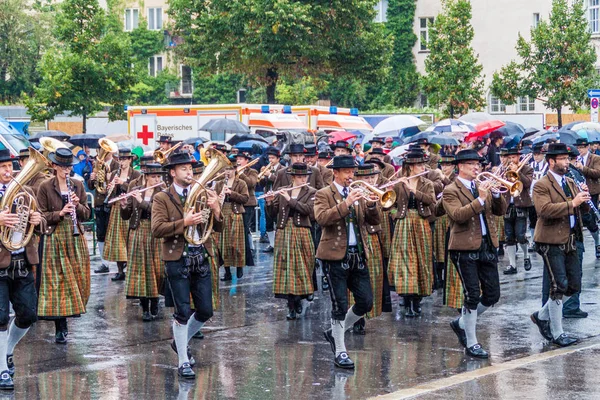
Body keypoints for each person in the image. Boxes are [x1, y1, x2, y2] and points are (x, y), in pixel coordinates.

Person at [151, 151, 222, 380]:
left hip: (200, 255)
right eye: (183, 168)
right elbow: (157, 229)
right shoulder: (162, 198)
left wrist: (217, 210)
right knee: (182, 311)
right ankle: (183, 360)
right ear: (172, 173)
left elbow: (217, 227)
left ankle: (179, 343)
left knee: (205, 310)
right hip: (176, 258)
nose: (189, 172)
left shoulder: (200, 193)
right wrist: (185, 222)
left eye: (190, 168)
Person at [316, 155, 379, 369]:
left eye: (353, 172)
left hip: (358, 254)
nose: (351, 176)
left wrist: (371, 206)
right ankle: (341, 351)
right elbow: (322, 219)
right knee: (339, 305)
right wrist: (346, 203)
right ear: (336, 172)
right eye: (347, 172)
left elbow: (374, 221)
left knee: (366, 302)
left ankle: (336, 334)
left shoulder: (359, 193)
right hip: (334, 256)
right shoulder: (323, 194)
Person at [443, 149, 507, 358]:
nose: (476, 168)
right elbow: (457, 215)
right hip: (463, 247)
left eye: (477, 164)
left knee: (492, 294)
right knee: (471, 295)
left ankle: (461, 324)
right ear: (460, 166)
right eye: (471, 164)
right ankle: (472, 342)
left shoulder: (482, 186)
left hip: (487, 244)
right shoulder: (450, 190)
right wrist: (480, 199)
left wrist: (496, 194)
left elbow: (499, 211)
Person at [530, 143, 588, 347]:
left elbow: (580, 211)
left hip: (571, 239)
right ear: (551, 161)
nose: (567, 162)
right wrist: (572, 203)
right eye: (562, 159)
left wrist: (585, 201)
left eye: (567, 159)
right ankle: (557, 332)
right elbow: (544, 210)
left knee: (573, 286)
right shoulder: (541, 185)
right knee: (558, 286)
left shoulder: (571, 182)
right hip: (550, 240)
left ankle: (541, 315)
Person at [37, 148, 91, 344]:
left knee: (75, 279)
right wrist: (59, 213)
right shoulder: (44, 186)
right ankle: (60, 326)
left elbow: (87, 214)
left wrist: (77, 205)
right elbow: (41, 215)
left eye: (68, 166)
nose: (65, 169)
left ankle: (69, 316)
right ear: (54, 166)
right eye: (62, 166)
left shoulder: (77, 185)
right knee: (56, 282)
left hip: (74, 236)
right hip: (54, 235)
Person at [0, 149, 44, 390]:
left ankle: (7, 350)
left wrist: (38, 221)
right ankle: (2, 370)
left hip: (22, 262)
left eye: (10, 166)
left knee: (28, 314)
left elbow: (41, 227)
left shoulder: (25, 192)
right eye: (3, 167)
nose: (9, 171)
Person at [387, 148, 436, 317]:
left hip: (421, 223)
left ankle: (417, 299)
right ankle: (407, 299)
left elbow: (431, 202)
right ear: (411, 166)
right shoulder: (398, 184)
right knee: (405, 260)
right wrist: (396, 216)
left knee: (421, 259)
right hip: (404, 224)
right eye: (420, 165)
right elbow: (388, 205)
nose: (423, 167)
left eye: (423, 164)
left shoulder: (426, 183)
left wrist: (414, 190)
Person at [265, 163, 316, 320]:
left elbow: (309, 211)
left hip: (301, 231)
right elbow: (273, 213)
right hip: (283, 231)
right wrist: (269, 202)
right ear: (293, 177)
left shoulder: (312, 192)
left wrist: (290, 200)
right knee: (285, 268)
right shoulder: (284, 190)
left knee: (302, 267)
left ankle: (299, 297)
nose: (303, 179)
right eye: (300, 176)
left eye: (305, 176)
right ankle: (291, 305)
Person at [120, 163, 165, 321]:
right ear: (146, 176)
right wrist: (124, 206)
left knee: (157, 269)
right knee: (141, 271)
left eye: (158, 176)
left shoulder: (163, 190)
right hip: (138, 231)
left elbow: (158, 211)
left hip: (155, 232)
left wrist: (141, 201)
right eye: (153, 176)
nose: (157, 179)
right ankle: (145, 307)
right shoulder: (135, 186)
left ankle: (155, 300)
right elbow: (126, 215)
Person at [349, 164, 389, 334]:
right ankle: (355, 318)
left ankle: (365, 315)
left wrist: (372, 204)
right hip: (356, 237)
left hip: (372, 237)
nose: (370, 181)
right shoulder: (352, 192)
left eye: (372, 177)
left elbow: (382, 215)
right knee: (353, 281)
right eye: (366, 178)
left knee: (373, 277)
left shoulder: (377, 192)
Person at [103, 149, 141, 281]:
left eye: (124, 159)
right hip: (116, 208)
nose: (122, 162)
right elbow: (108, 192)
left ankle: (131, 268)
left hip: (129, 208)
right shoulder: (114, 173)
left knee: (129, 239)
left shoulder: (136, 174)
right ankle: (120, 270)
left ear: (130, 160)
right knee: (117, 241)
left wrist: (123, 184)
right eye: (120, 159)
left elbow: (136, 190)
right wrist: (110, 188)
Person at [215, 159, 249, 281]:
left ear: (235, 170)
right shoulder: (219, 184)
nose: (227, 172)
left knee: (236, 243)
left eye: (229, 169)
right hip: (223, 212)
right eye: (225, 169)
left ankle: (239, 266)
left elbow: (245, 199)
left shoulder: (241, 183)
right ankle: (227, 271)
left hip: (235, 214)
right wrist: (218, 198)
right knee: (224, 244)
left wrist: (231, 193)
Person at [502, 148, 534, 275]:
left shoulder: (527, 169)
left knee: (520, 235)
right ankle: (512, 265)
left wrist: (517, 173)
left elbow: (527, 183)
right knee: (509, 237)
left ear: (518, 157)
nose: (511, 160)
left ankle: (526, 256)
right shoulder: (503, 170)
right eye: (509, 158)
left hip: (520, 205)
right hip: (507, 206)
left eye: (513, 158)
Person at [88, 145, 118, 274]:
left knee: (114, 234)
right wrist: (92, 178)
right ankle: (104, 263)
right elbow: (91, 186)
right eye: (101, 149)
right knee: (100, 233)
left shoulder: (117, 165)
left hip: (112, 202)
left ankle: (119, 263)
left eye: (105, 150)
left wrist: (108, 178)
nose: (103, 152)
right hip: (100, 202)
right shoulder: (97, 164)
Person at [573, 138, 600, 258]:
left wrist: (582, 168)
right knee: (583, 219)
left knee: (591, 219)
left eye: (582, 147)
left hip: (592, 192)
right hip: (578, 193)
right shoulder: (575, 159)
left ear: (587, 147)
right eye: (578, 147)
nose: (580, 150)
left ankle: (597, 243)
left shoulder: (595, 158)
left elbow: (597, 173)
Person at [258, 147, 284, 253]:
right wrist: (263, 177)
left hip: (278, 198)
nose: (270, 160)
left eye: (273, 158)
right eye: (269, 158)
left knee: (277, 222)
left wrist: (270, 175)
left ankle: (279, 244)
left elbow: (280, 182)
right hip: (268, 197)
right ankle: (272, 244)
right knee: (268, 223)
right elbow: (262, 184)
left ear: (278, 159)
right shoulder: (268, 169)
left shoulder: (282, 169)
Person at [236, 152, 258, 263]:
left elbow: (251, 183)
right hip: (238, 202)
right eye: (238, 159)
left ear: (246, 161)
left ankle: (249, 250)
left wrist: (241, 173)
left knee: (245, 227)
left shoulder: (252, 171)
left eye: (241, 159)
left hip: (249, 203)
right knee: (242, 228)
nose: (238, 161)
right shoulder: (234, 171)